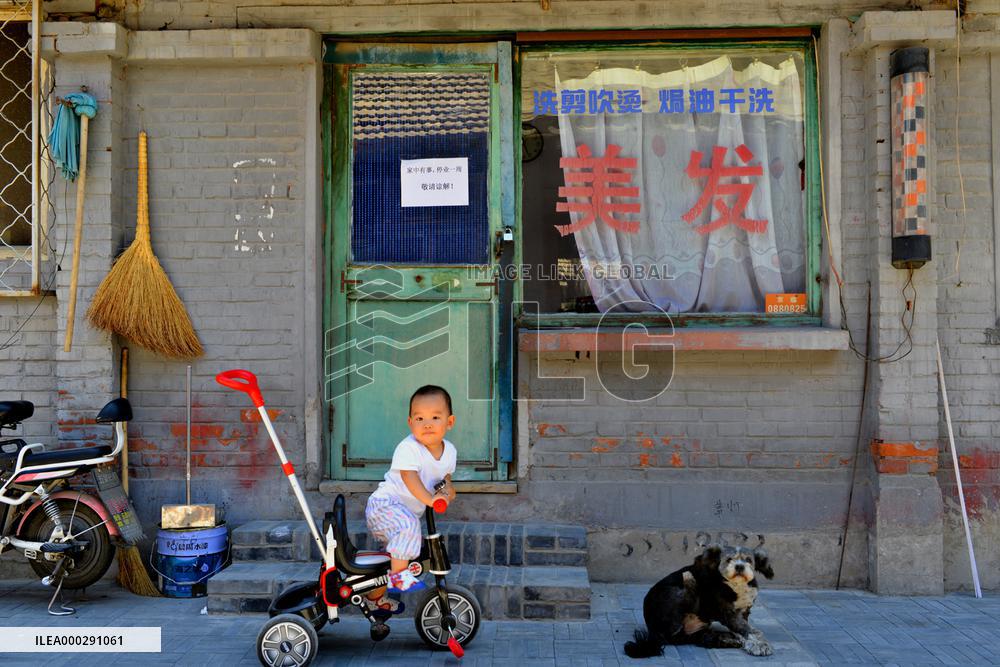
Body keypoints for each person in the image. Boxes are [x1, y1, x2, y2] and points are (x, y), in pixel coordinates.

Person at [363, 385, 457, 616]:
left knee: (398, 553)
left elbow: (445, 480)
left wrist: (447, 493)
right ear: (410, 423)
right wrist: (431, 500)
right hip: (384, 506)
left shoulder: (450, 452)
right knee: (408, 529)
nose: (427, 424)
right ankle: (398, 578)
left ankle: (374, 598)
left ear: (449, 422)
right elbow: (410, 479)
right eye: (420, 418)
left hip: (402, 513)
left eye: (435, 417)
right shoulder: (408, 448)